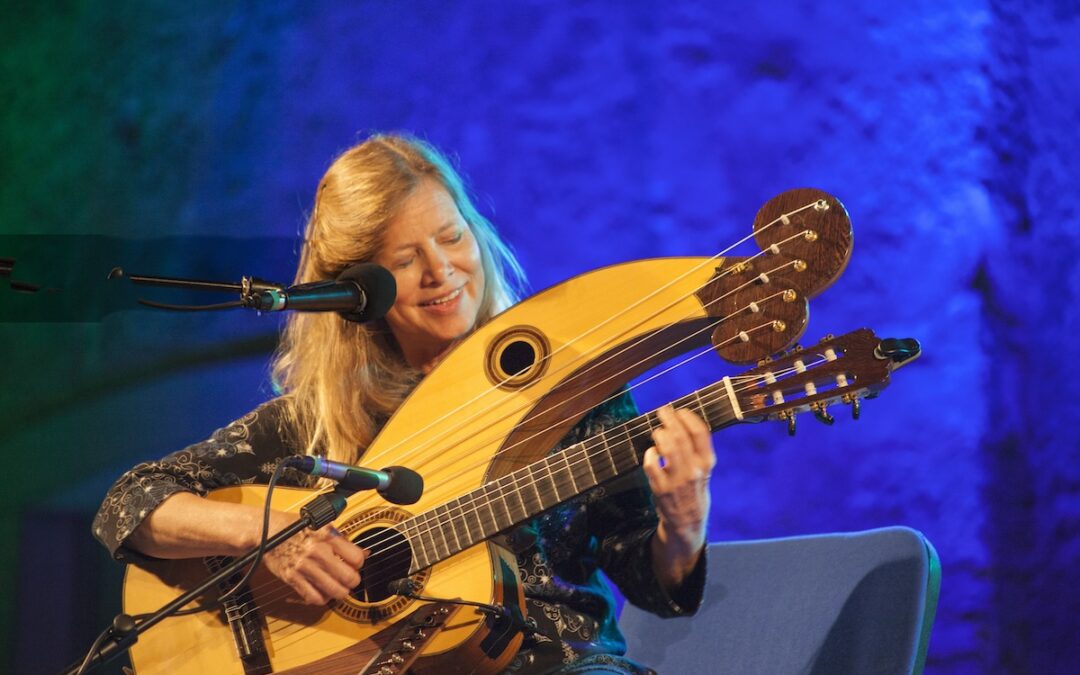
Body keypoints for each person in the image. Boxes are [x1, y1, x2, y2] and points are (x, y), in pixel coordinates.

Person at [93, 134, 715, 674]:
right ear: (356, 290)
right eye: (404, 260)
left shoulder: (569, 387)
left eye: (452, 238)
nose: (442, 272)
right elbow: (129, 503)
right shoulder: (312, 424)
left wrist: (683, 524)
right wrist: (266, 535)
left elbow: (646, 579)